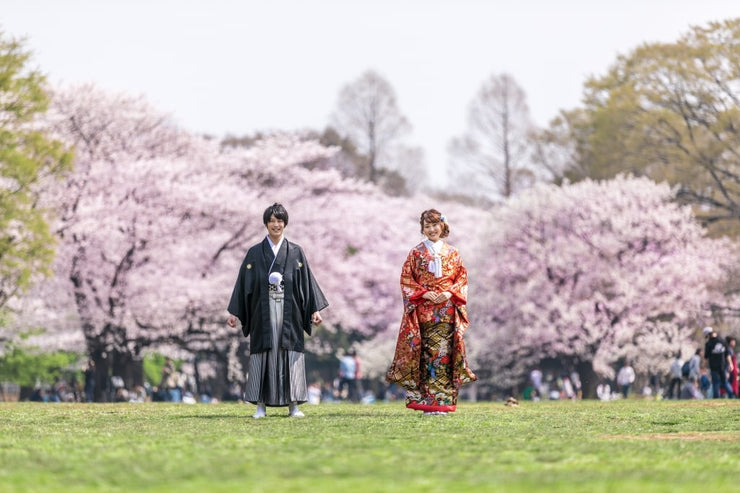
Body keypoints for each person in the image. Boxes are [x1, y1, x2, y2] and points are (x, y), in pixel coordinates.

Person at [227, 203, 328, 418]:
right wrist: (235, 312)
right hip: (262, 313)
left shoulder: (295, 251)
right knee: (263, 353)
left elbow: (306, 283)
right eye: (272, 220)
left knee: (290, 353)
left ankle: (294, 405)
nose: (276, 224)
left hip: (290, 312)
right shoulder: (255, 252)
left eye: (280, 220)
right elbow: (243, 283)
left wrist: (314, 310)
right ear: (266, 224)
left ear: (285, 224)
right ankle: (260, 405)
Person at [386, 209, 477, 415]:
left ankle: (442, 403)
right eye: (427, 226)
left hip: (446, 310)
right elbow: (407, 280)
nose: (432, 229)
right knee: (426, 355)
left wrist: (448, 292)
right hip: (424, 311)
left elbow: (462, 278)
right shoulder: (416, 253)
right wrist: (424, 294)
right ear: (422, 229)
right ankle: (428, 403)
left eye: (435, 225)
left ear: (442, 226)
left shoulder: (453, 253)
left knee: (443, 355)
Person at [703, 326, 735, 398]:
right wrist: (730, 364)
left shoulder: (709, 344)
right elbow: (727, 355)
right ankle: (732, 395)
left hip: (714, 367)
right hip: (722, 366)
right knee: (724, 382)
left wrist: (703, 367)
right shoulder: (723, 341)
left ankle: (716, 397)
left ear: (708, 335)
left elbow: (706, 357)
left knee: (716, 383)